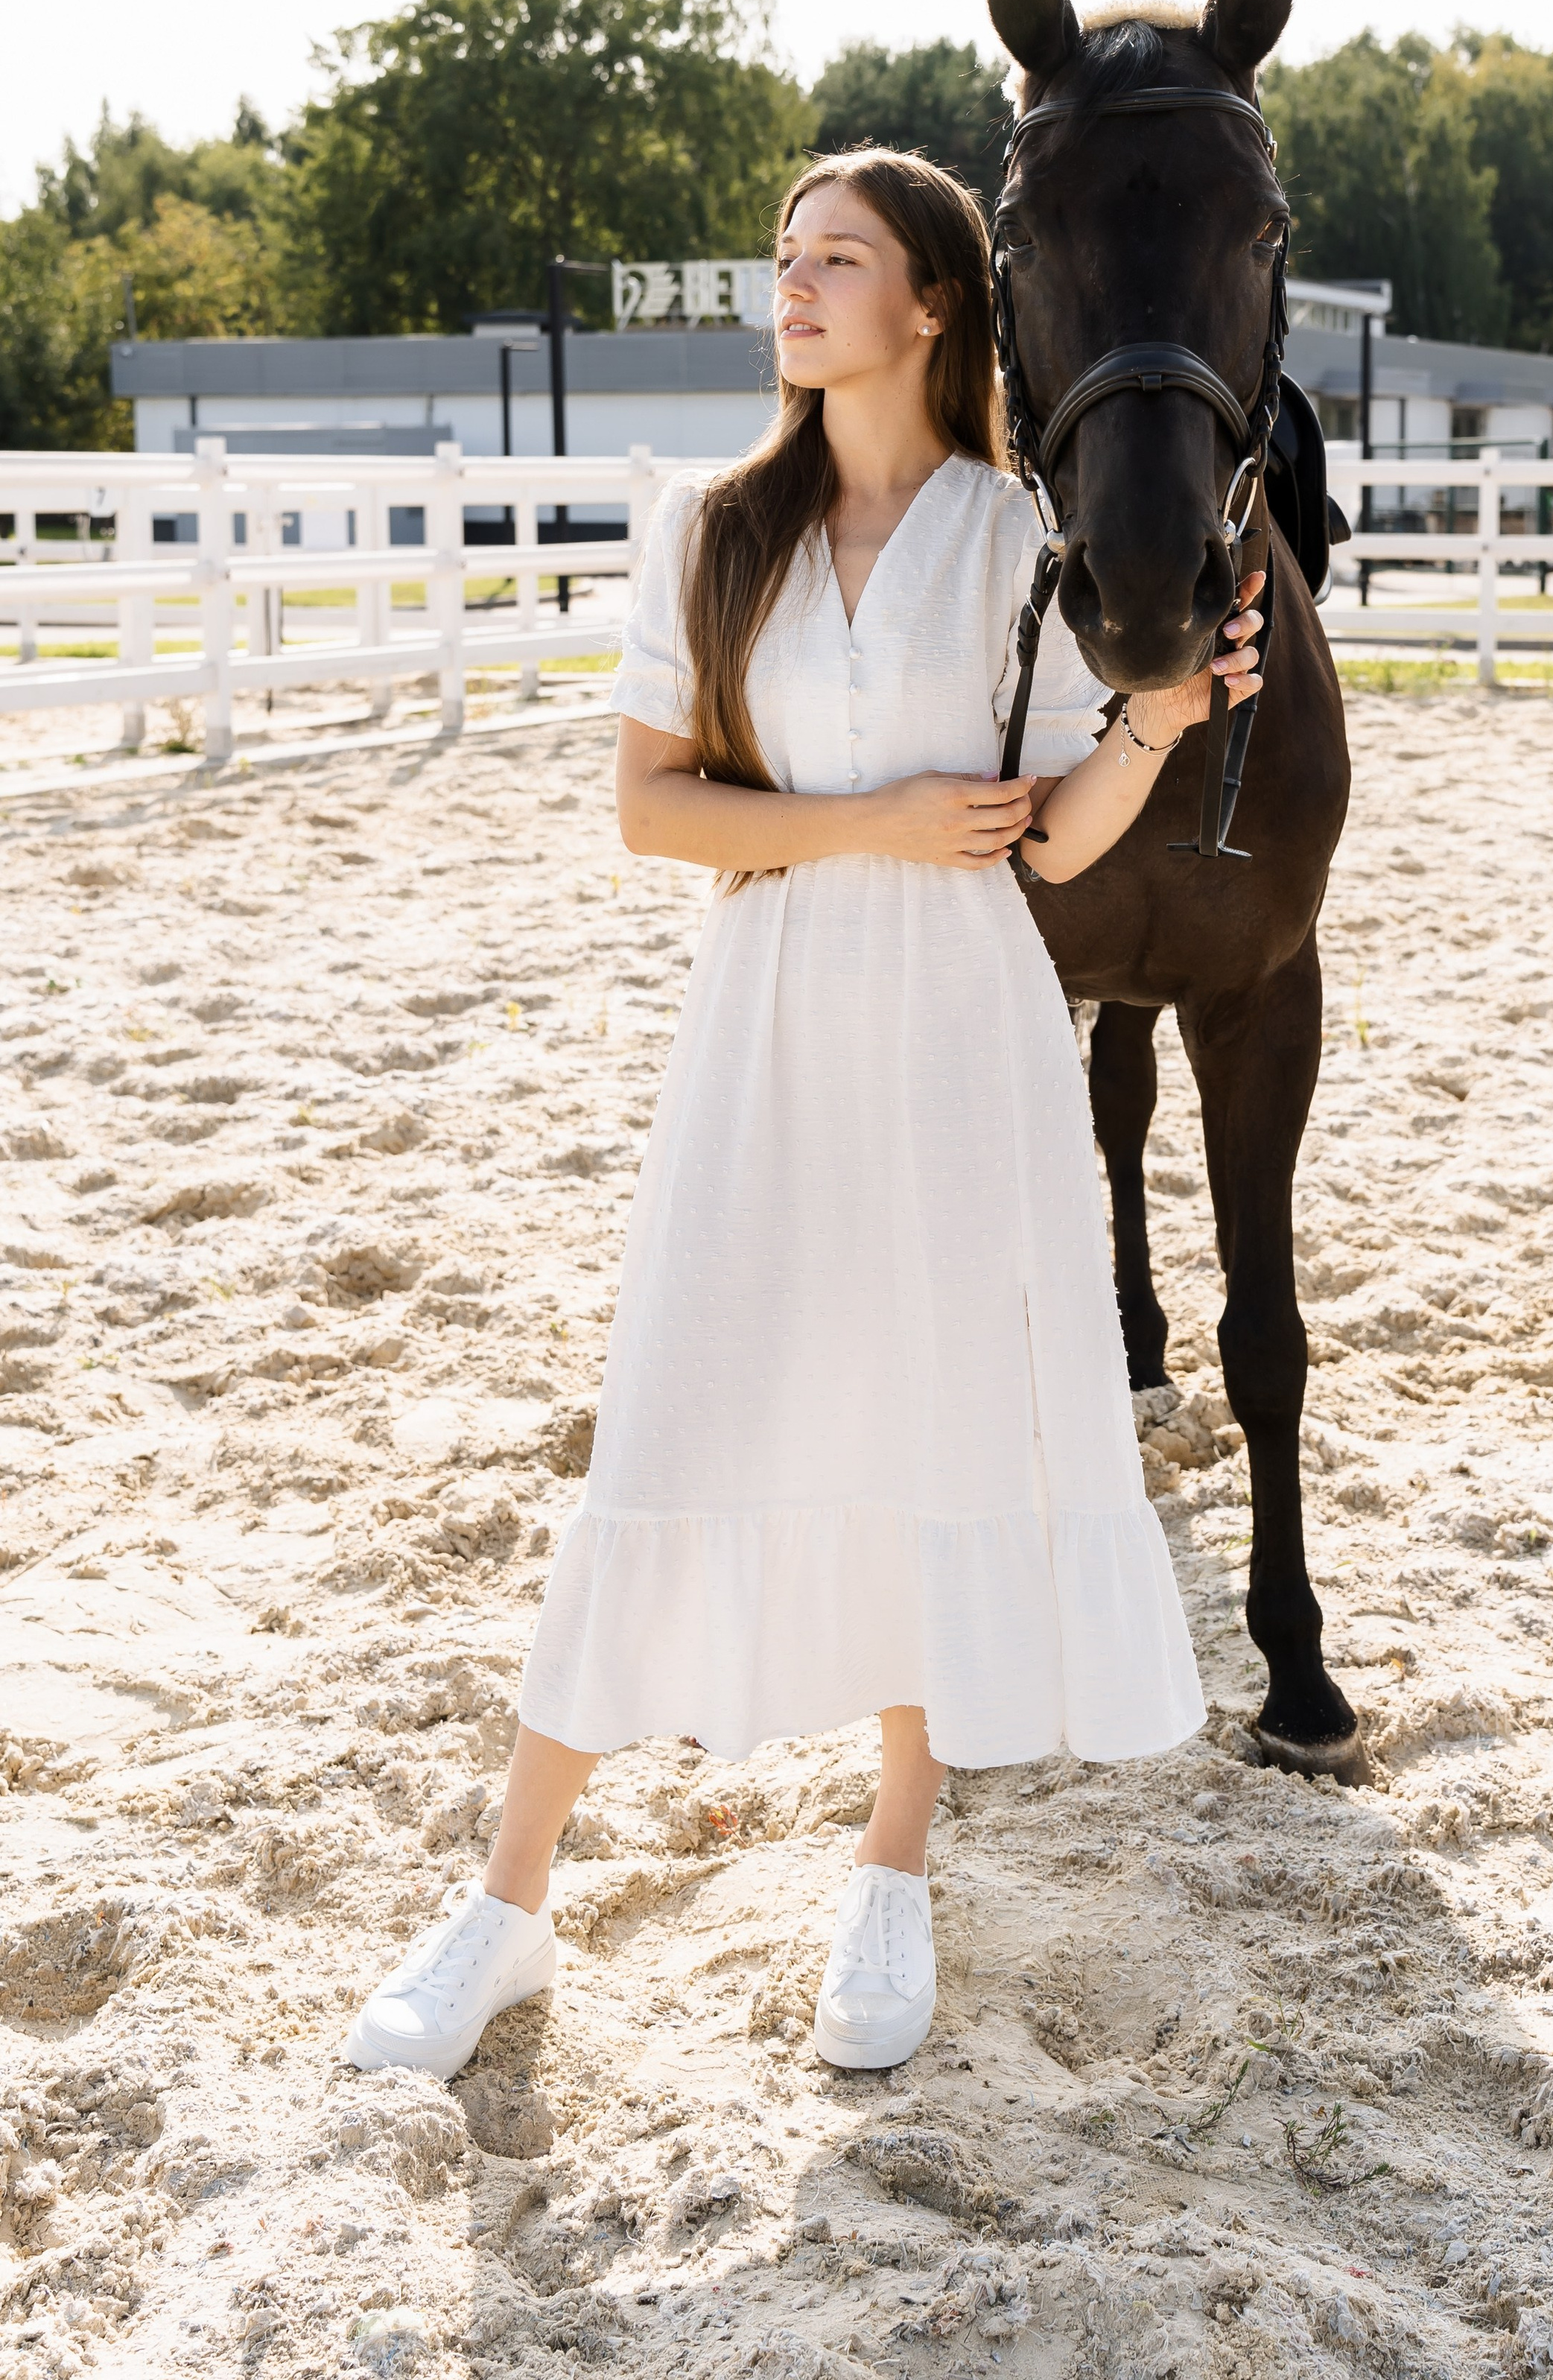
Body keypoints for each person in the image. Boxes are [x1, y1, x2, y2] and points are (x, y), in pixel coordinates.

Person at [343, 149, 1265, 2083]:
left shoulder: (1021, 540)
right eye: (785, 257)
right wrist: (869, 824)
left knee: (936, 1429)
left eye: (835, 257)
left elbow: (1052, 837)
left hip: (964, 1028)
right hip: (764, 1024)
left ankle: (895, 1863)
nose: (795, 284)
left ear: (932, 304)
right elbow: (651, 809)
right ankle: (507, 1901)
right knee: (672, 1417)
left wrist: (1162, 726)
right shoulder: (710, 528)